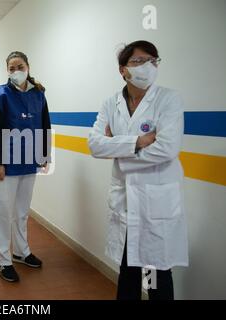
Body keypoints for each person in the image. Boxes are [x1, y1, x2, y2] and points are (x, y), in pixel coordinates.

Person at [88, 40, 188, 300]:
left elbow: (167, 149)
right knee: (128, 268)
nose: (147, 67)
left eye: (152, 61)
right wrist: (137, 142)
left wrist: (118, 149)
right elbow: (95, 145)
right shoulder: (111, 104)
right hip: (125, 201)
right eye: (139, 61)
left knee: (157, 273)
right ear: (123, 70)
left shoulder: (168, 99)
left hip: (156, 200)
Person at [0, 51, 52, 282]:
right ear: (7, 71)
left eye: (19, 66)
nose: (16, 71)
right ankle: (2, 261)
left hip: (29, 162)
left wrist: (44, 154)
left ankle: (21, 252)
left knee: (22, 212)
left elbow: (45, 125)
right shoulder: (0, 95)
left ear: (28, 66)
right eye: (11, 68)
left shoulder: (39, 95)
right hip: (6, 163)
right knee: (3, 212)